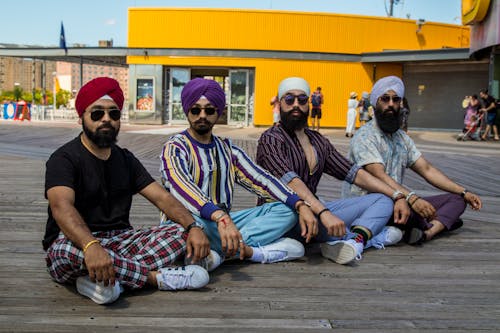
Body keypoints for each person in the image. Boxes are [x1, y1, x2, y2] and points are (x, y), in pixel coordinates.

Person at [44, 77, 210, 305]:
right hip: (76, 242)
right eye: (96, 114)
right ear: (81, 117)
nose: (106, 120)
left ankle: (104, 280)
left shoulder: (126, 159)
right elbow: (61, 207)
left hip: (121, 240)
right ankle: (155, 278)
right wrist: (91, 246)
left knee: (178, 233)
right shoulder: (64, 159)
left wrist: (193, 227)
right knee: (62, 249)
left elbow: (162, 198)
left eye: (113, 114)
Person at [159, 78, 315, 270]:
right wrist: (220, 217)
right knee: (183, 228)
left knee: (287, 210)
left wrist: (300, 204)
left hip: (224, 223)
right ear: (186, 111)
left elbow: (262, 180)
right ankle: (247, 251)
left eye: (209, 110)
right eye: (195, 110)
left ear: (218, 112)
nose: (202, 115)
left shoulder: (228, 150)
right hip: (192, 223)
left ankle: (219, 255)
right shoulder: (175, 148)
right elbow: (182, 187)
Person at [256, 77, 410, 266]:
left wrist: (398, 195)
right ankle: (365, 238)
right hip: (282, 216)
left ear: (309, 104)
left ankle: (355, 241)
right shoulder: (271, 139)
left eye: (302, 100)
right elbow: (290, 182)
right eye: (289, 99)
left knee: (382, 199)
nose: (296, 104)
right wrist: (323, 213)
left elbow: (354, 173)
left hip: (316, 212)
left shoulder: (317, 140)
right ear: (279, 104)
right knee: (307, 213)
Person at [342, 76, 483, 244]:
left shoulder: (402, 138)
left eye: (396, 100)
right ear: (375, 103)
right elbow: (378, 175)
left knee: (456, 200)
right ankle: (436, 224)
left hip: (402, 201)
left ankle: (427, 232)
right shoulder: (364, 137)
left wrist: (464, 192)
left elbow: (427, 169)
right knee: (409, 209)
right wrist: (412, 199)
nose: (391, 104)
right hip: (373, 206)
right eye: (385, 99)